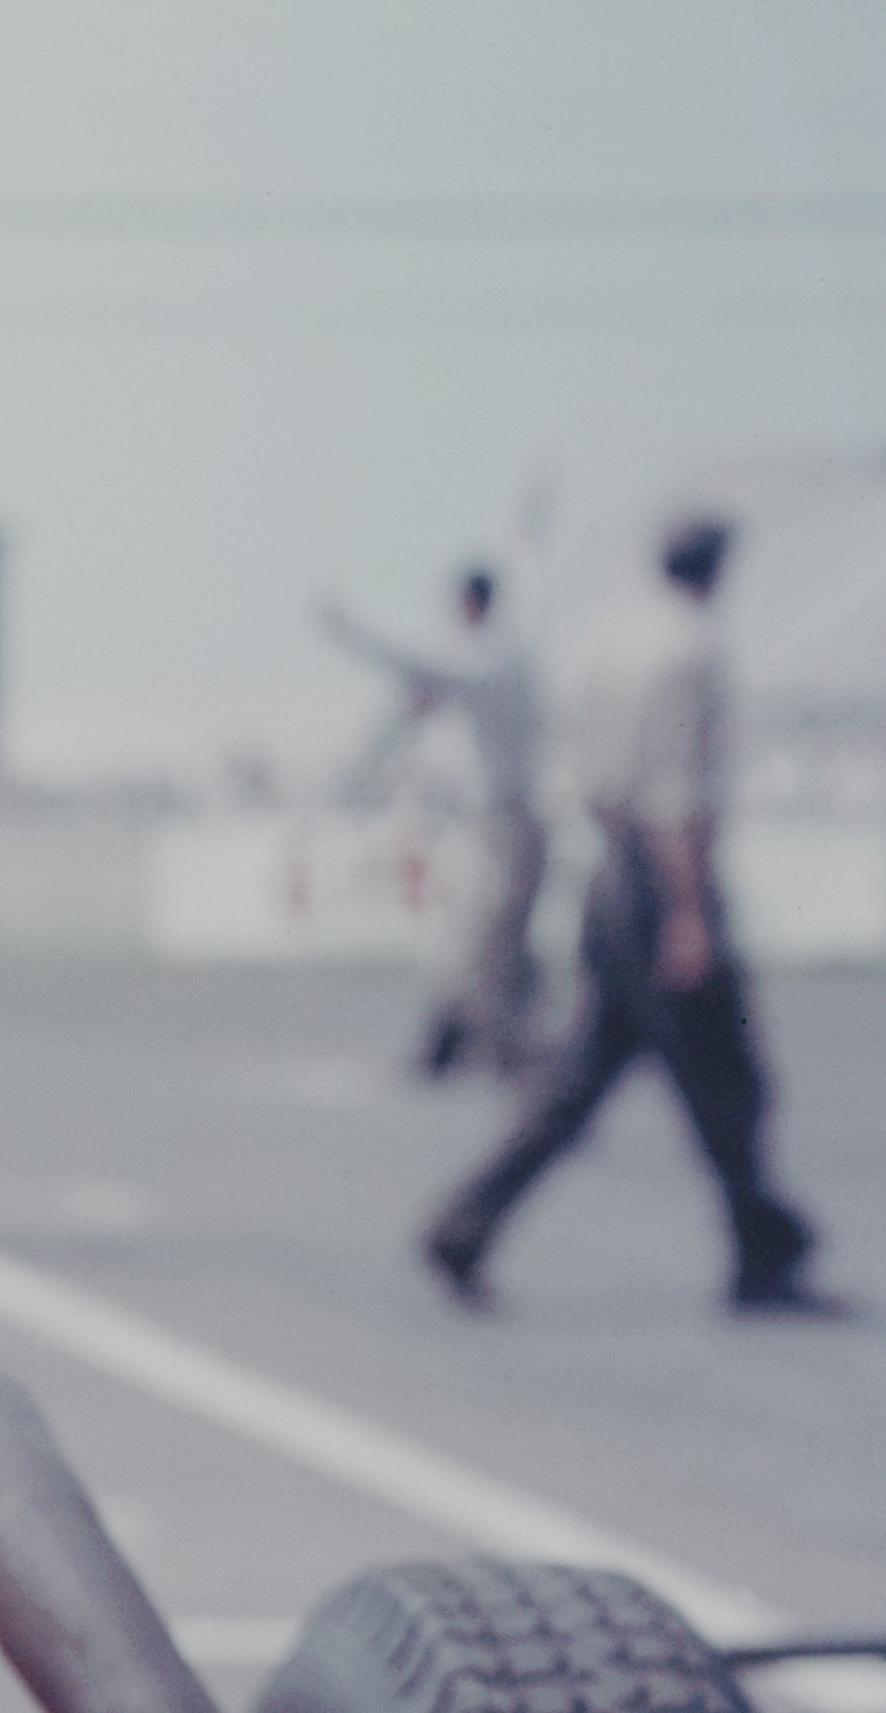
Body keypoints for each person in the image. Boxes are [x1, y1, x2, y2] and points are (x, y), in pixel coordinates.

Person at [423, 515, 830, 1317]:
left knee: (584, 1078)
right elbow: (675, 791)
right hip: (661, 880)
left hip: (611, 875)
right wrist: (688, 912)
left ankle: (464, 1226)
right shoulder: (691, 648)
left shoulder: (612, 639)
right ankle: (763, 1247)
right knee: (729, 1080)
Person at [322, 561, 545, 1077]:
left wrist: (349, 629)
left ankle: (466, 1042)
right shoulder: (505, 653)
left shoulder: (492, 656)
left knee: (486, 934)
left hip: (508, 819)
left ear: (469, 604)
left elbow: (422, 665)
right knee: (496, 934)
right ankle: (485, 1042)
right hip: (501, 818)